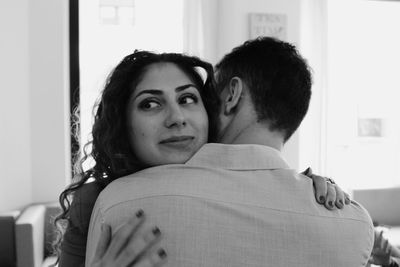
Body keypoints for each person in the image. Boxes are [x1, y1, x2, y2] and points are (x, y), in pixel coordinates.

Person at [85, 37, 374, 267]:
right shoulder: (354, 224)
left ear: (232, 96)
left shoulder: (117, 203)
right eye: (149, 104)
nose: (177, 119)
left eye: (189, 98)